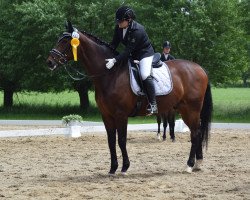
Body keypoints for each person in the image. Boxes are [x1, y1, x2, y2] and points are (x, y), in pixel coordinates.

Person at [105, 6, 157, 115]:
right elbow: (114, 44)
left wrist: (114, 60)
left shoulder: (138, 30)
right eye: (118, 21)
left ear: (129, 20)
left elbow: (127, 51)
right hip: (133, 54)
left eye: (120, 21)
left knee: (144, 74)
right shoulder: (119, 27)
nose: (118, 23)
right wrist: (105, 53)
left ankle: (153, 104)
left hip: (144, 54)